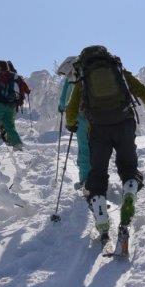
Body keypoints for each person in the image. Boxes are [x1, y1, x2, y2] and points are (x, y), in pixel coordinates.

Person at [65, 46, 145, 247]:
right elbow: (141, 90)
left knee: (98, 173)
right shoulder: (118, 70)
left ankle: (101, 214)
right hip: (124, 123)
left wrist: (71, 124)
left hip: (98, 129)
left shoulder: (84, 76)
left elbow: (72, 107)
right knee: (128, 166)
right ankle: (129, 190)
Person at [56, 56, 90, 192]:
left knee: (84, 151)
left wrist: (62, 109)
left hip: (81, 118)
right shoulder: (89, 75)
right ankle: (99, 179)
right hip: (101, 117)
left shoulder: (72, 79)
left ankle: (85, 181)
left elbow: (64, 100)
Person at [0, 60, 30, 152]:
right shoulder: (14, 75)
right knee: (9, 126)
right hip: (11, 105)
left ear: (0, 67)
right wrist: (23, 95)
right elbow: (25, 87)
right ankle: (17, 144)